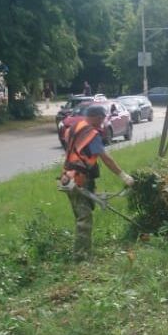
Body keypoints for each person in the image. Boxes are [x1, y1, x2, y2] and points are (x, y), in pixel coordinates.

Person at [60, 104, 134, 259]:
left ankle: (83, 251)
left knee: (81, 215)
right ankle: (81, 257)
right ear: (96, 117)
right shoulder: (91, 134)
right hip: (79, 179)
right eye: (101, 119)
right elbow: (106, 158)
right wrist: (123, 176)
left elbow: (74, 151)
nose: (102, 122)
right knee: (84, 218)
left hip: (67, 177)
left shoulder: (74, 127)